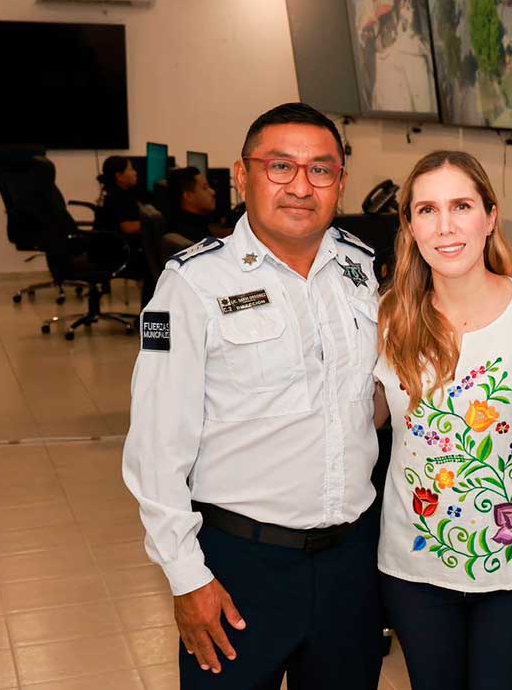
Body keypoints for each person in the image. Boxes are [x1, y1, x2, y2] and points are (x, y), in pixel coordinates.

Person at [121, 102, 384, 690]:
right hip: (239, 564)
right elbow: (156, 449)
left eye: (321, 170)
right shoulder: (191, 285)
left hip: (350, 561)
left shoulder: (361, 269)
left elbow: (370, 400)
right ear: (242, 176)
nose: (301, 187)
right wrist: (186, 578)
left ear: (341, 182)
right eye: (280, 166)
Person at [374, 151, 512, 690]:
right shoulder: (387, 318)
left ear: (490, 216)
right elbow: (362, 424)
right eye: (427, 210)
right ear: (410, 227)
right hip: (415, 570)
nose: (446, 226)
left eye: (461, 206)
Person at [166, 166, 218, 245]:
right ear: (188, 196)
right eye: (205, 188)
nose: (213, 192)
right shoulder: (195, 237)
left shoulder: (177, 224)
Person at [95, 155, 143, 237]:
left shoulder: (109, 190)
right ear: (119, 176)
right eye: (131, 169)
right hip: (116, 243)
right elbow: (129, 228)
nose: (135, 172)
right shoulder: (119, 196)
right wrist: (153, 223)